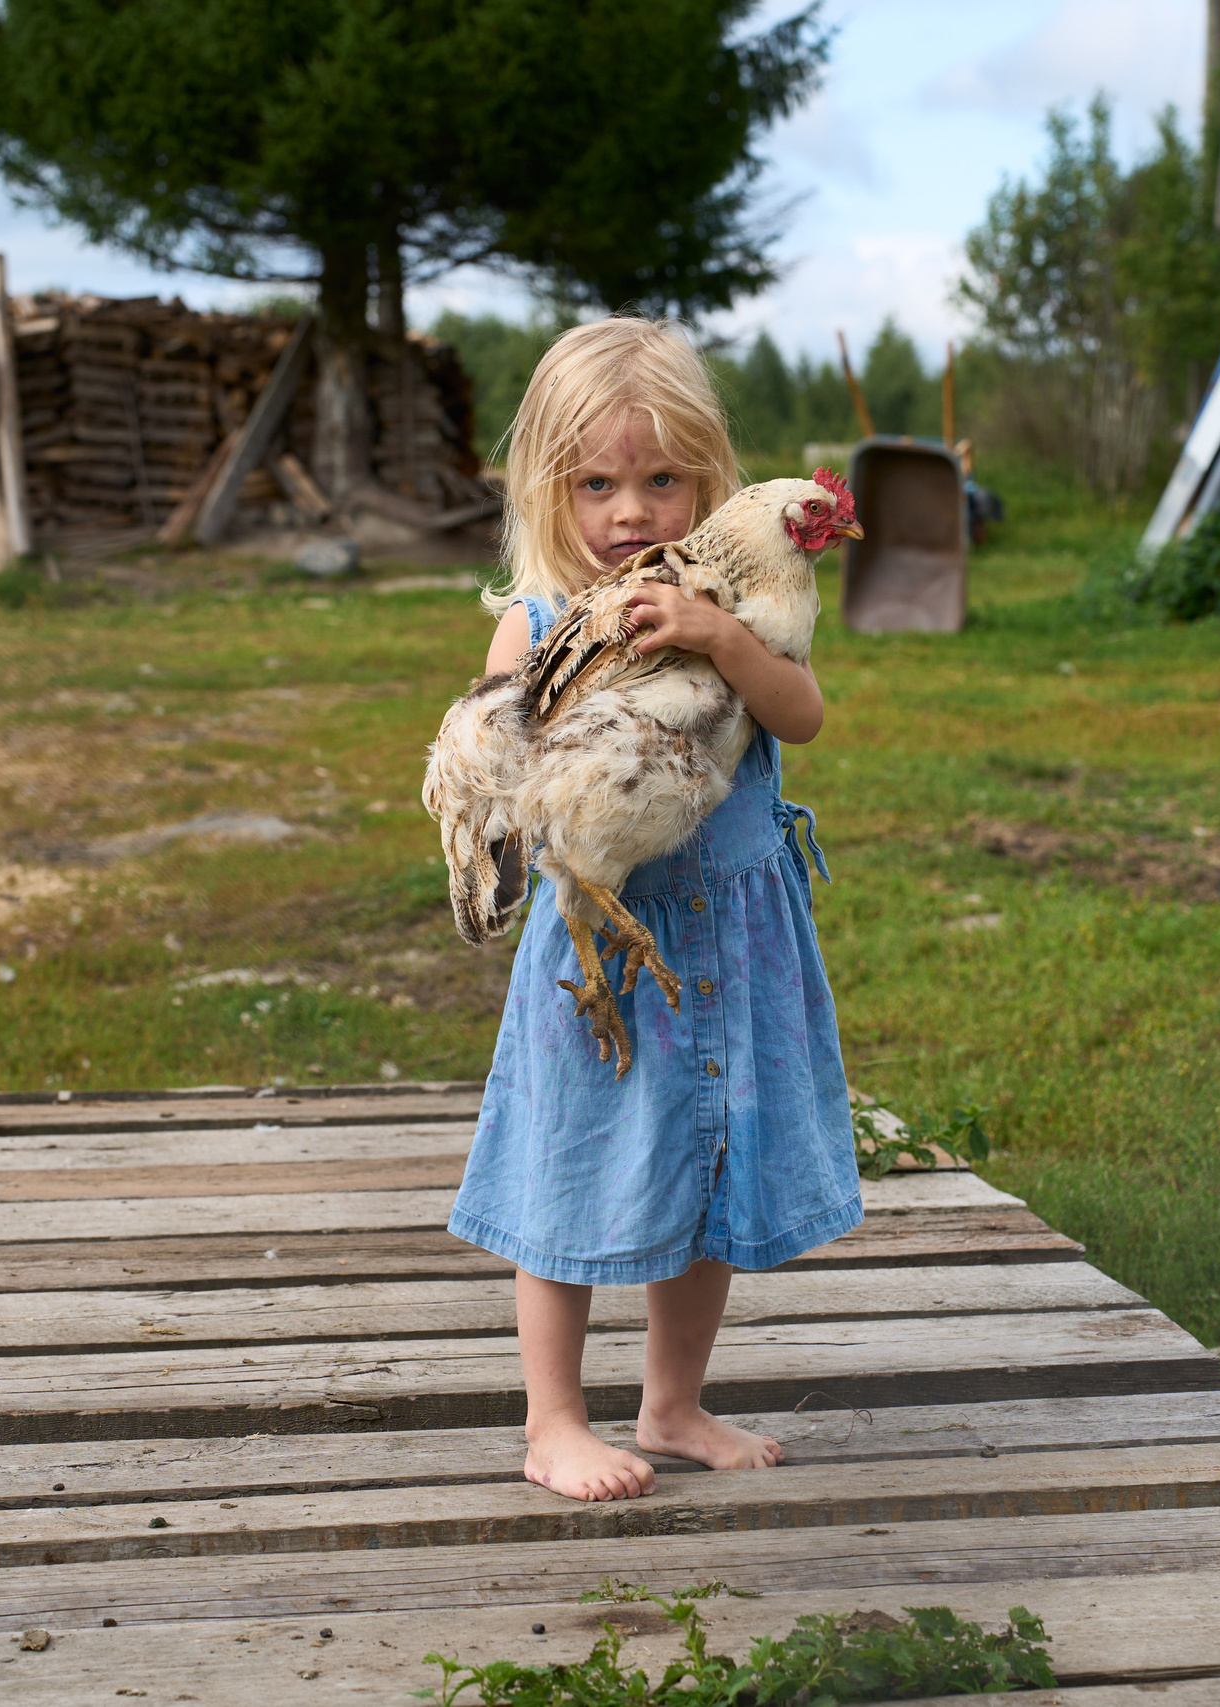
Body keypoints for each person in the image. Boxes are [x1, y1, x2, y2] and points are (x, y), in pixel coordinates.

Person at [446, 317, 861, 1502]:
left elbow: (802, 716)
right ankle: (552, 1421)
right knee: (567, 1162)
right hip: (605, 948)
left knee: (713, 1176)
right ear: (550, 491)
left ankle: (673, 1404)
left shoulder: (737, 608)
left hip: (732, 935)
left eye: (661, 479)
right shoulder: (535, 619)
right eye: (597, 484)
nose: (631, 511)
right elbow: (492, 752)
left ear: (709, 482)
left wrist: (717, 635)